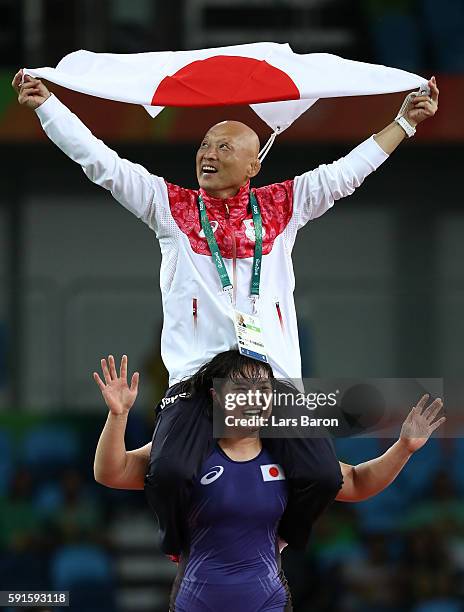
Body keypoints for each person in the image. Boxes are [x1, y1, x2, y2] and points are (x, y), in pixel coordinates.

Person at [12, 69, 440, 555]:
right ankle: (180, 541)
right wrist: (47, 105)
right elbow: (100, 161)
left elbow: (346, 173)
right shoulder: (168, 206)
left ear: (254, 163)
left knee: (322, 475)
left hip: (272, 378)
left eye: (223, 147)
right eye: (204, 145)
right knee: (170, 472)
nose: (207, 154)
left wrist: (403, 123)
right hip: (196, 381)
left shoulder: (285, 206)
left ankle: (281, 538)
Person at [93, 352, 445, 612]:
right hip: (194, 603)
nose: (253, 396)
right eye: (240, 387)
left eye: (262, 388)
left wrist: (404, 448)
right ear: (216, 396)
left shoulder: (286, 459)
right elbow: (111, 472)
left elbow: (356, 482)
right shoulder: (186, 456)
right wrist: (118, 415)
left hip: (269, 603)